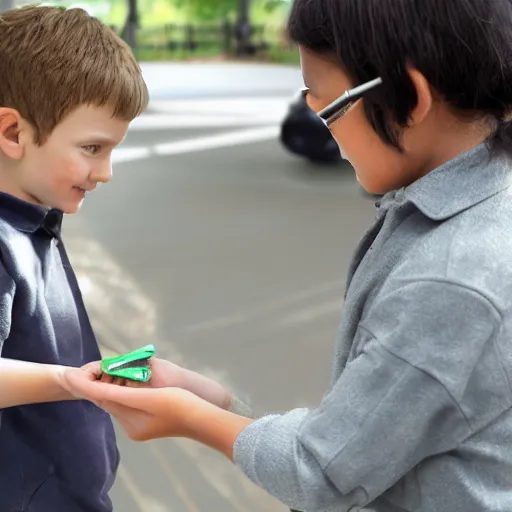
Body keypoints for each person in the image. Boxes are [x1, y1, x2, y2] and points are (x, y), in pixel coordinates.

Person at [62, 0, 512, 510]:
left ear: (410, 98)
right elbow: (367, 438)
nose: (325, 128)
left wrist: (189, 417)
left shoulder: (451, 281)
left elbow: (322, 472)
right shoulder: (469, 210)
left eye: (330, 108)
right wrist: (217, 403)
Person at [0, 6, 148, 511]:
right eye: (92, 147)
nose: (104, 172)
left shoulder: (35, 221)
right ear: (13, 133)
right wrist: (70, 380)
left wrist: (98, 373)